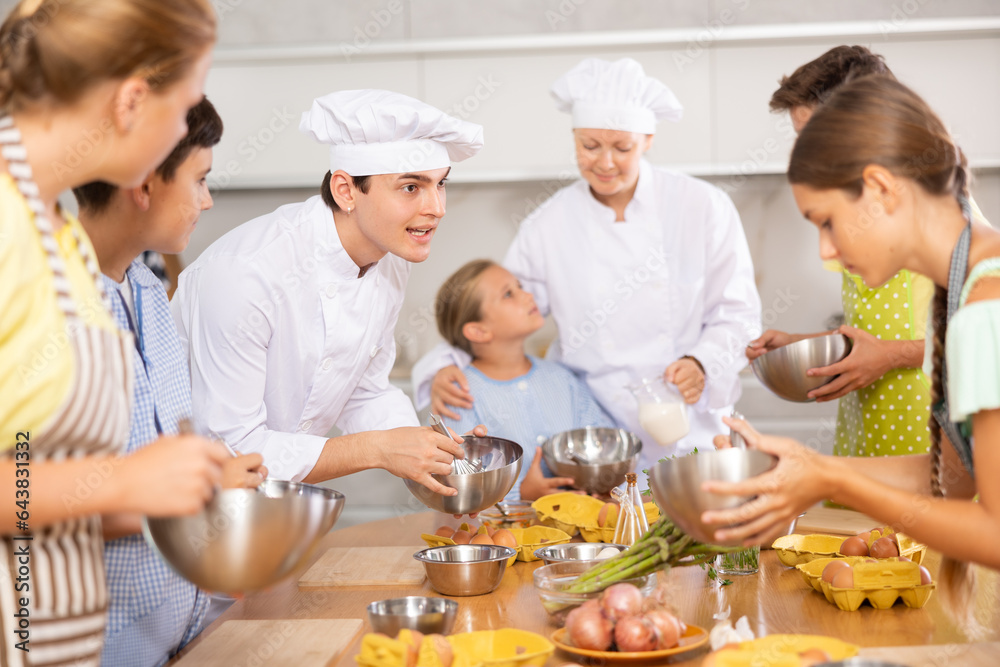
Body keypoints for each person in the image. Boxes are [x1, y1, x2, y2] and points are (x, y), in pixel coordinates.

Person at [703, 75, 1000, 614]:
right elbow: (949, 481)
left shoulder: (989, 307)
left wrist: (832, 476)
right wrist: (798, 468)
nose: (826, 252)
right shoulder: (959, 295)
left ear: (883, 189)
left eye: (828, 223)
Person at [0, 2, 228, 665]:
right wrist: (120, 484)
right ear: (131, 101)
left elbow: (27, 465)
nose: (185, 130)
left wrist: (152, 486)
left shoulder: (57, 234)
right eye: (184, 106)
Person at [413, 58, 762, 471]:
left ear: (648, 139)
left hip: (692, 423)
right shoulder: (548, 224)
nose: (605, 163)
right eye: (590, 146)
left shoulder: (702, 207)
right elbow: (496, 311)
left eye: (622, 148)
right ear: (574, 137)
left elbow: (738, 314)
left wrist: (701, 363)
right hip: (595, 434)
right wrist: (441, 367)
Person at [172, 90, 485, 492]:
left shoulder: (391, 259)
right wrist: (378, 449)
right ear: (346, 191)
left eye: (440, 184)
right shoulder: (247, 274)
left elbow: (365, 392)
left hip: (283, 508)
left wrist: (435, 454)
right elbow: (236, 450)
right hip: (194, 510)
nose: (437, 207)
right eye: (411, 187)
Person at [73, 98, 266, 667]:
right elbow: (31, 501)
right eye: (200, 181)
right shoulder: (44, 306)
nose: (206, 200)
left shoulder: (150, 292)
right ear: (144, 184)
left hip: (180, 636)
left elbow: (173, 446)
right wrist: (199, 495)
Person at [748, 45, 988, 458]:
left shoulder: (982, 291)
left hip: (914, 428)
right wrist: (810, 345)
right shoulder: (894, 228)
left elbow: (982, 513)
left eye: (816, 139)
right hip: (880, 443)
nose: (828, 252)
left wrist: (892, 356)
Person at [434, 259, 616, 501]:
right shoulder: (459, 394)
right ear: (479, 331)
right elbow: (458, 484)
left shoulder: (562, 378)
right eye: (509, 294)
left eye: (520, 286)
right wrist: (522, 494)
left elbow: (603, 443)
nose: (527, 295)